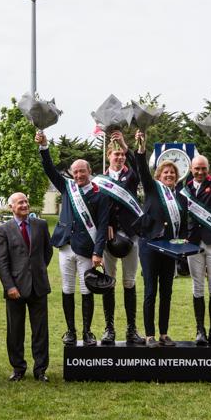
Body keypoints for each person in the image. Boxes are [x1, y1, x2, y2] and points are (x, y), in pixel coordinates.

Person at [36, 131, 111, 347]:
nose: (78, 175)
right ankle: (70, 331)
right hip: (65, 247)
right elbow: (49, 169)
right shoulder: (67, 187)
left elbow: (103, 226)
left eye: (82, 171)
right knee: (67, 288)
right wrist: (44, 147)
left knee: (87, 289)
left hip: (87, 249)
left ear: (90, 172)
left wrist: (98, 252)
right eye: (75, 172)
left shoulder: (100, 195)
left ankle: (87, 332)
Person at [134, 129, 188, 348]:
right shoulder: (153, 189)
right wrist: (141, 148)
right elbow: (141, 169)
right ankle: (149, 335)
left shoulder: (181, 199)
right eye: (165, 172)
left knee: (167, 292)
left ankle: (164, 333)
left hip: (170, 249)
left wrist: (184, 242)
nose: (169, 175)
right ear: (158, 175)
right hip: (150, 246)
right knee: (150, 291)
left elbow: (183, 227)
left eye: (172, 173)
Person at [93, 131, 145, 346]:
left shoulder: (131, 176)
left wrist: (125, 144)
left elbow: (139, 166)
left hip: (131, 235)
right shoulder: (99, 181)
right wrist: (106, 225)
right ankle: (109, 329)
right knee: (109, 281)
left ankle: (132, 329)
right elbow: (97, 208)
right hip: (109, 236)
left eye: (122, 154)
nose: (120, 157)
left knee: (129, 282)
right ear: (108, 156)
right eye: (116, 154)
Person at [0, 192, 52, 382]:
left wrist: (38, 270)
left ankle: (40, 370)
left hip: (38, 286)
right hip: (15, 289)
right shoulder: (3, 230)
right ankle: (18, 368)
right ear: (11, 207)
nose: (25, 205)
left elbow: (47, 252)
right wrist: (9, 286)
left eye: (26, 201)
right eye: (20, 202)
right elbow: (1, 262)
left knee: (40, 331)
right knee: (15, 331)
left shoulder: (41, 225)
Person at [180, 141, 211, 346]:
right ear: (191, 169)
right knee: (197, 287)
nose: (200, 172)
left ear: (208, 169)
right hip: (193, 243)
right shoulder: (185, 189)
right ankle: (200, 330)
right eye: (197, 169)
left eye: (203, 168)